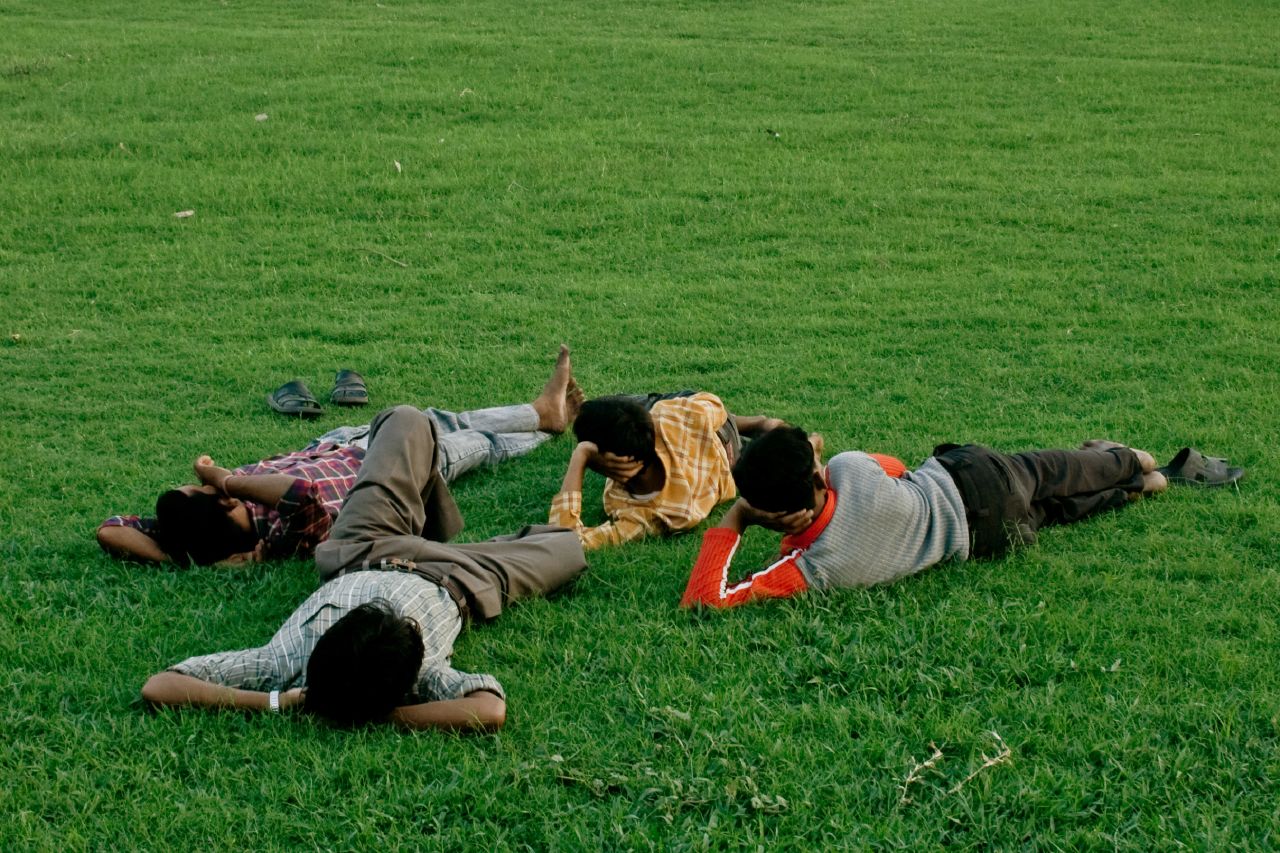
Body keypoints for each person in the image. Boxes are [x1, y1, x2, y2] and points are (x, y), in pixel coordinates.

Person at [141, 404, 588, 730]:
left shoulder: (280, 662)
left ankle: (429, 519)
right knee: (568, 550)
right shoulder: (424, 679)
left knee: (407, 420)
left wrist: (278, 702)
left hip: (362, 548)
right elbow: (489, 710)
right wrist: (384, 715)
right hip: (457, 578)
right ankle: (447, 533)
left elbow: (161, 686)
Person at [99, 346, 582, 565]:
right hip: (393, 469)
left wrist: (177, 556)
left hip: (337, 445)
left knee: (443, 416)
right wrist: (223, 480)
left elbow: (110, 529)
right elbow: (302, 493)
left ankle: (539, 413)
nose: (202, 481)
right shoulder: (281, 532)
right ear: (223, 502)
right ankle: (545, 424)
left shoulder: (210, 529)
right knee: (474, 445)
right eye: (200, 489)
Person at [680, 427, 1184, 608]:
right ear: (816, 476)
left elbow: (704, 600)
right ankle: (1129, 461)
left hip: (991, 538)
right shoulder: (848, 468)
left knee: (1052, 512)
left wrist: (735, 521)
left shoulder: (816, 569)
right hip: (976, 477)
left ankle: (1137, 488)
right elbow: (897, 470)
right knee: (1056, 470)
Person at [548, 392, 786, 549]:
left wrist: (579, 458)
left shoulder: (646, 515)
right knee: (653, 404)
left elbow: (566, 539)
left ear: (608, 460)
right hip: (726, 442)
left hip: (727, 461)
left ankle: (755, 424)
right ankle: (758, 423)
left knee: (644, 406)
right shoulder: (665, 417)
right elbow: (713, 406)